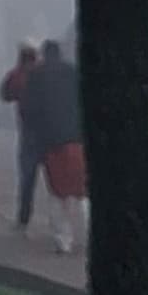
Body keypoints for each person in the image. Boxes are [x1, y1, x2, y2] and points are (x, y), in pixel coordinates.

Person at [28, 39, 89, 254]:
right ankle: (91, 235)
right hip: (76, 140)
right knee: (81, 192)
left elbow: (30, 110)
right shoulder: (74, 72)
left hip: (51, 144)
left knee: (57, 193)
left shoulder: (36, 74)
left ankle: (64, 240)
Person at [0, 43, 44, 233]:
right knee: (60, 180)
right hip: (50, 131)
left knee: (27, 177)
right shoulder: (44, 73)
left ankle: (23, 218)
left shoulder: (18, 75)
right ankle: (64, 224)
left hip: (28, 132)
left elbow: (5, 94)